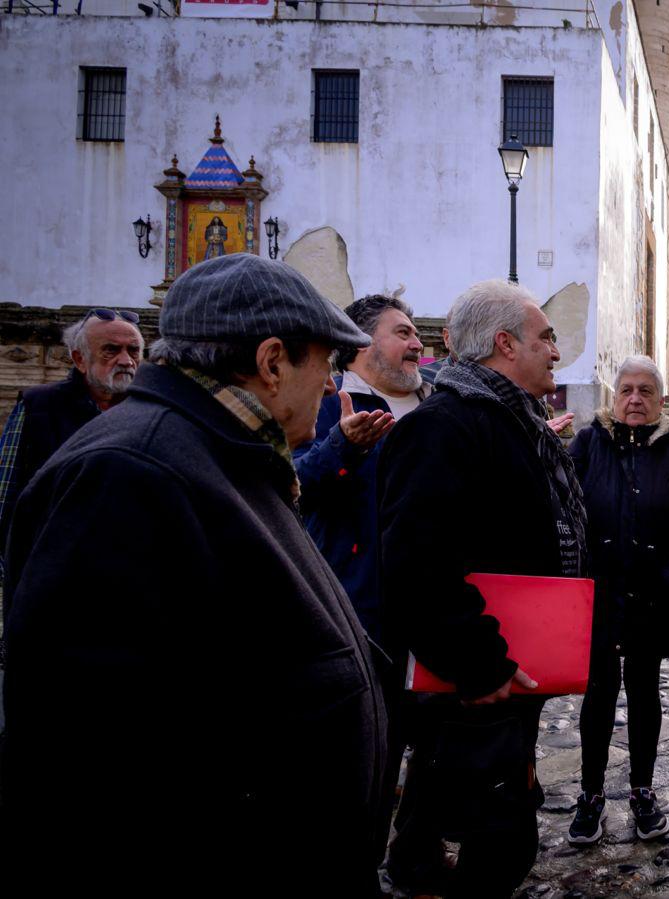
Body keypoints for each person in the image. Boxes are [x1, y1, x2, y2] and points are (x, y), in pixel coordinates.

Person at [0, 253, 388, 895]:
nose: (329, 386)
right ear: (271, 362)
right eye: (326, 363)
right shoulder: (128, 474)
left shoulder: (217, 453)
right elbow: (85, 773)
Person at [378, 279, 584, 898]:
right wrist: (481, 664)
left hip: (510, 664)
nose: (555, 350)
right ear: (504, 344)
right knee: (501, 841)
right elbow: (417, 561)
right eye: (545, 338)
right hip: (480, 673)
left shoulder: (517, 421)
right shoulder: (445, 427)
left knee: (448, 795)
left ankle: (415, 864)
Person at [567, 355, 669, 845]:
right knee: (598, 694)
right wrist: (580, 575)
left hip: (652, 596)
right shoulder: (588, 443)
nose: (634, 398)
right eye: (626, 389)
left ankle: (642, 790)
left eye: (645, 391)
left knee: (645, 693)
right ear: (614, 396)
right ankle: (589, 795)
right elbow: (566, 508)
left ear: (660, 401)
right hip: (600, 597)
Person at [294, 293, 429, 641]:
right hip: (356, 606)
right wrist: (344, 446)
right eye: (403, 334)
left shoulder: (438, 406)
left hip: (433, 607)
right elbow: (292, 488)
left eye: (416, 334)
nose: (417, 344)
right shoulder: (325, 400)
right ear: (362, 341)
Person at [0, 308, 143, 565]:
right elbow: (4, 492)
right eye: (111, 350)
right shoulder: (38, 406)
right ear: (79, 359)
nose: (126, 361)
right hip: (51, 565)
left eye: (133, 351)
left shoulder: (150, 411)